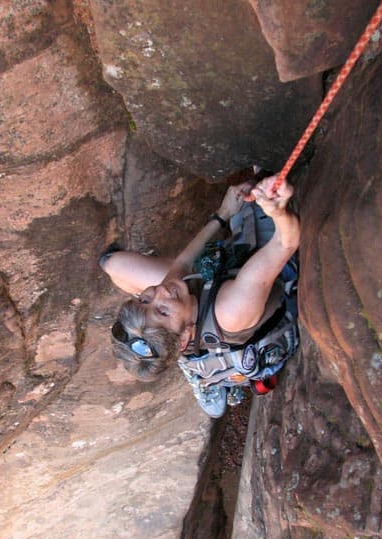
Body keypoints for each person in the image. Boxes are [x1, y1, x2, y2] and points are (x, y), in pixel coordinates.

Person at [100, 174, 300, 416]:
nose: (160, 292)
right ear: (184, 337)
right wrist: (277, 212)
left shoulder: (169, 298)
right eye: (162, 311)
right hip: (254, 297)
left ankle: (182, 356)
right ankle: (216, 381)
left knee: (113, 265)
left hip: (202, 305)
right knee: (262, 211)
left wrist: (223, 212)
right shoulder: (231, 311)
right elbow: (284, 245)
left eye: (144, 300)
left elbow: (183, 263)